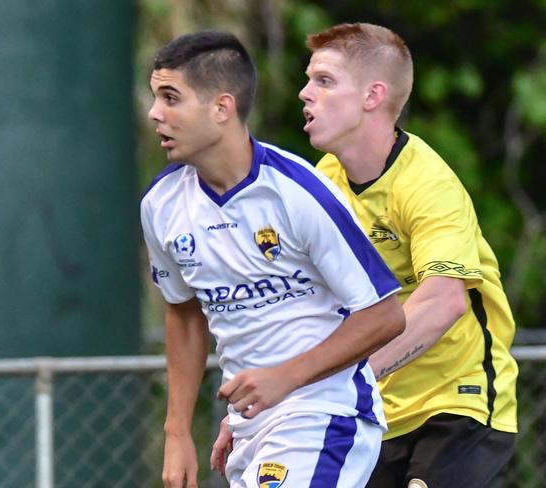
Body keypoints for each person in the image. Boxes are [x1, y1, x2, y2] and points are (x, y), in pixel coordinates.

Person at [212, 22, 519, 488]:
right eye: (309, 78)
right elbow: (306, 310)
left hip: (458, 405)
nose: (304, 93)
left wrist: (320, 380)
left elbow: (443, 302)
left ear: (372, 96)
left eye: (324, 80)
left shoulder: (427, 184)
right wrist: (250, 414)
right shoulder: (325, 181)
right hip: (375, 412)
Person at [140, 29, 405, 488]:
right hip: (249, 427)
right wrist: (177, 431)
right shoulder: (161, 205)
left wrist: (287, 377)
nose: (155, 114)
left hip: (325, 414)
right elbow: (183, 314)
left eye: (170, 98)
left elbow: (384, 315)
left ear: (221, 108)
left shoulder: (298, 192)